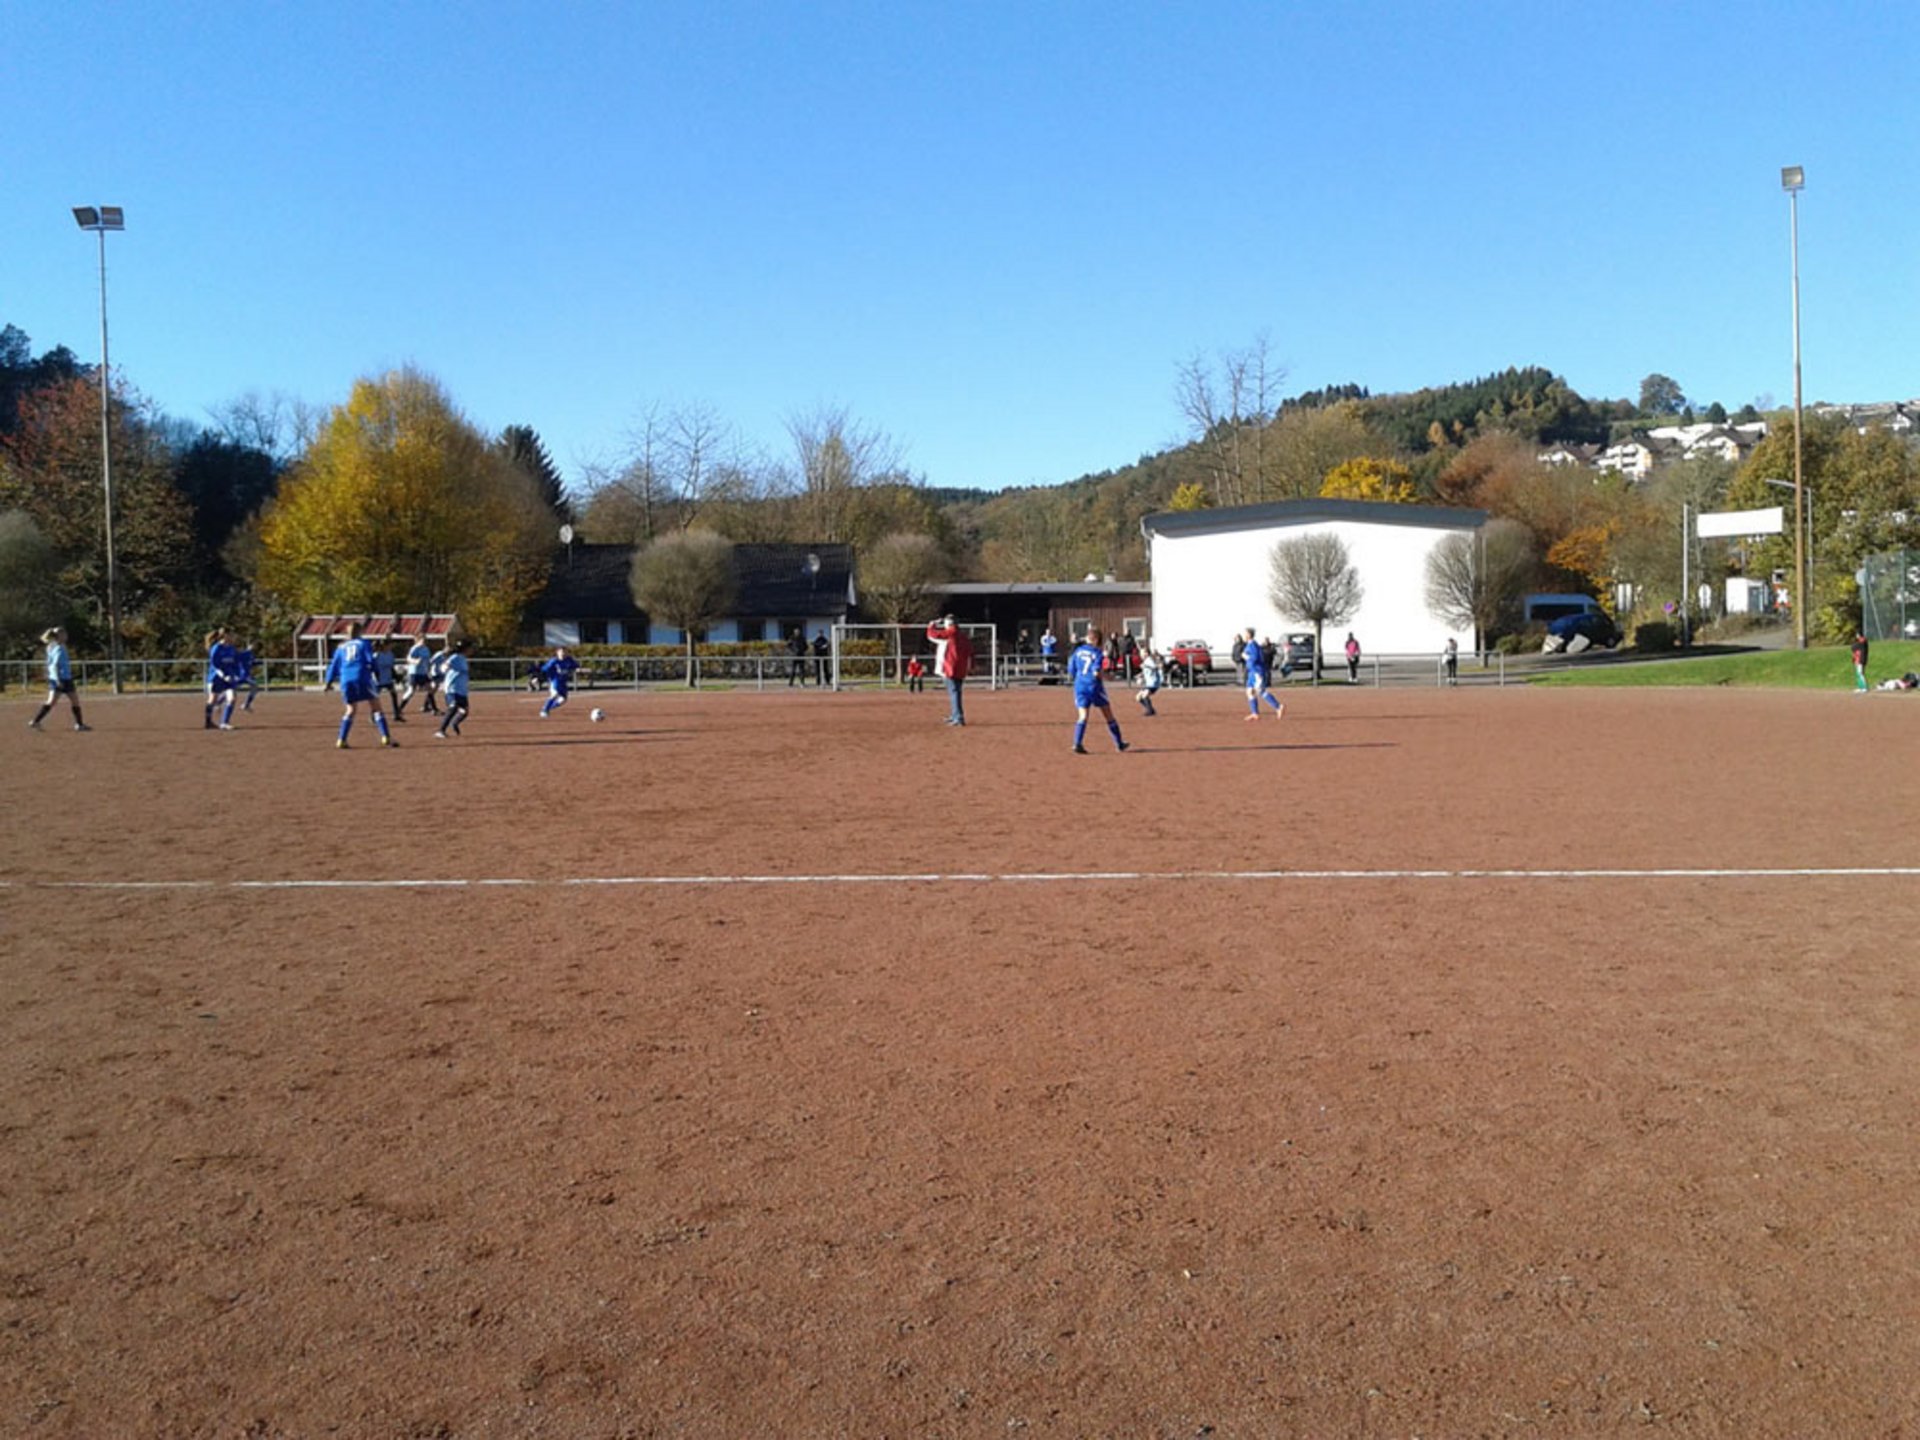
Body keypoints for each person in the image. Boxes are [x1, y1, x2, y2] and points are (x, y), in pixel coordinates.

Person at [323, 621, 396, 749]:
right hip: (362, 676)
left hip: (346, 679)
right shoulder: (364, 643)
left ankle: (341, 739)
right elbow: (370, 660)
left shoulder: (341, 648)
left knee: (350, 710)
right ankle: (386, 737)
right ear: (360, 631)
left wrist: (328, 682)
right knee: (376, 707)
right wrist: (377, 673)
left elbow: (334, 666)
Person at [1068, 626, 1129, 754]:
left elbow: (1071, 671)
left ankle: (1077, 743)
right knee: (1109, 716)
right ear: (1096, 640)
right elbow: (1096, 673)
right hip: (1094, 686)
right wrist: (1108, 677)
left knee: (1083, 716)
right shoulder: (1097, 653)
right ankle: (1119, 744)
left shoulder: (1078, 651)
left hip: (1079, 685)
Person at [27, 627, 89, 732]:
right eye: (64, 634)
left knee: (73, 701)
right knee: (56, 702)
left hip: (61, 678)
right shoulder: (59, 648)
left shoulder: (51, 646)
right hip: (62, 678)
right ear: (59, 636)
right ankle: (35, 721)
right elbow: (55, 665)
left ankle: (79, 724)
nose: (66, 635)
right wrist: (58, 680)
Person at [926, 614, 974, 726]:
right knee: (956, 692)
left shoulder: (951, 633)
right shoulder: (963, 636)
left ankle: (958, 717)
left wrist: (931, 625)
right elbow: (971, 652)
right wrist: (970, 666)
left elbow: (932, 635)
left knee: (954, 693)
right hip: (960, 669)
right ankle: (956, 715)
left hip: (950, 668)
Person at [1241, 628, 1286, 722]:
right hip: (1252, 672)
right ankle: (1255, 713)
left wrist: (1246, 657)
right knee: (1250, 691)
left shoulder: (1253, 645)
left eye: (1245, 634)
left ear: (1249, 635)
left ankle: (1278, 706)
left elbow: (1254, 658)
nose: (1243, 636)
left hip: (1256, 671)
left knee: (1260, 691)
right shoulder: (1249, 645)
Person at [434, 639, 471, 738]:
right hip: (452, 688)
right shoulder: (455, 657)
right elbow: (444, 666)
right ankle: (441, 730)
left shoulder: (463, 659)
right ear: (465, 649)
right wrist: (445, 668)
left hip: (461, 690)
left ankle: (454, 723)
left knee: (465, 711)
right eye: (469, 648)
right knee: (453, 707)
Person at [204, 628, 238, 730]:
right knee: (212, 699)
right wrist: (223, 675)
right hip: (216, 677)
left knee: (232, 698)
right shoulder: (216, 648)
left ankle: (224, 722)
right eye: (231, 635)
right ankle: (208, 721)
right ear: (225, 636)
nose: (233, 637)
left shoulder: (231, 649)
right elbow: (215, 665)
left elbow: (234, 663)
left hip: (228, 678)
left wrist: (235, 674)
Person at [401, 635, 438, 715]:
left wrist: (428, 670)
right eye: (423, 639)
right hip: (414, 673)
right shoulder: (415, 648)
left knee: (430, 689)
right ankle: (400, 708)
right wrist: (415, 661)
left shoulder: (426, 649)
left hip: (423, 673)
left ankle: (434, 709)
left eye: (425, 639)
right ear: (418, 640)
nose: (424, 641)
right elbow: (408, 658)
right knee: (411, 691)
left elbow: (427, 661)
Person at [538, 645, 580, 717]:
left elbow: (575, 666)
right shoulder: (554, 661)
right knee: (554, 694)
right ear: (557, 653)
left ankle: (548, 708)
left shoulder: (569, 660)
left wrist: (577, 669)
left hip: (563, 682)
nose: (563, 653)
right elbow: (543, 670)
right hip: (555, 681)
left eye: (564, 652)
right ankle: (544, 710)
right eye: (561, 652)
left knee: (563, 700)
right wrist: (537, 678)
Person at [371, 637, 404, 722]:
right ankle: (373, 716)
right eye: (389, 645)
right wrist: (376, 677)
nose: (390, 647)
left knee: (394, 695)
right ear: (384, 646)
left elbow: (391, 667)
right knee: (375, 698)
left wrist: (396, 677)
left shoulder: (390, 654)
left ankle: (396, 715)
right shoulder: (377, 655)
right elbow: (373, 668)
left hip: (388, 679)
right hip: (378, 680)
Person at [1136, 648, 1164, 716]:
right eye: (1140, 653)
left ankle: (1150, 711)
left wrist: (1145, 666)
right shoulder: (1146, 661)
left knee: (1145, 695)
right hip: (1149, 683)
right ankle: (1151, 709)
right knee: (1138, 697)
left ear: (1146, 653)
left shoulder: (1149, 660)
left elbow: (1155, 667)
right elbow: (1148, 671)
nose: (1140, 654)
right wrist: (1140, 675)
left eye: (1142, 653)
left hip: (1153, 683)